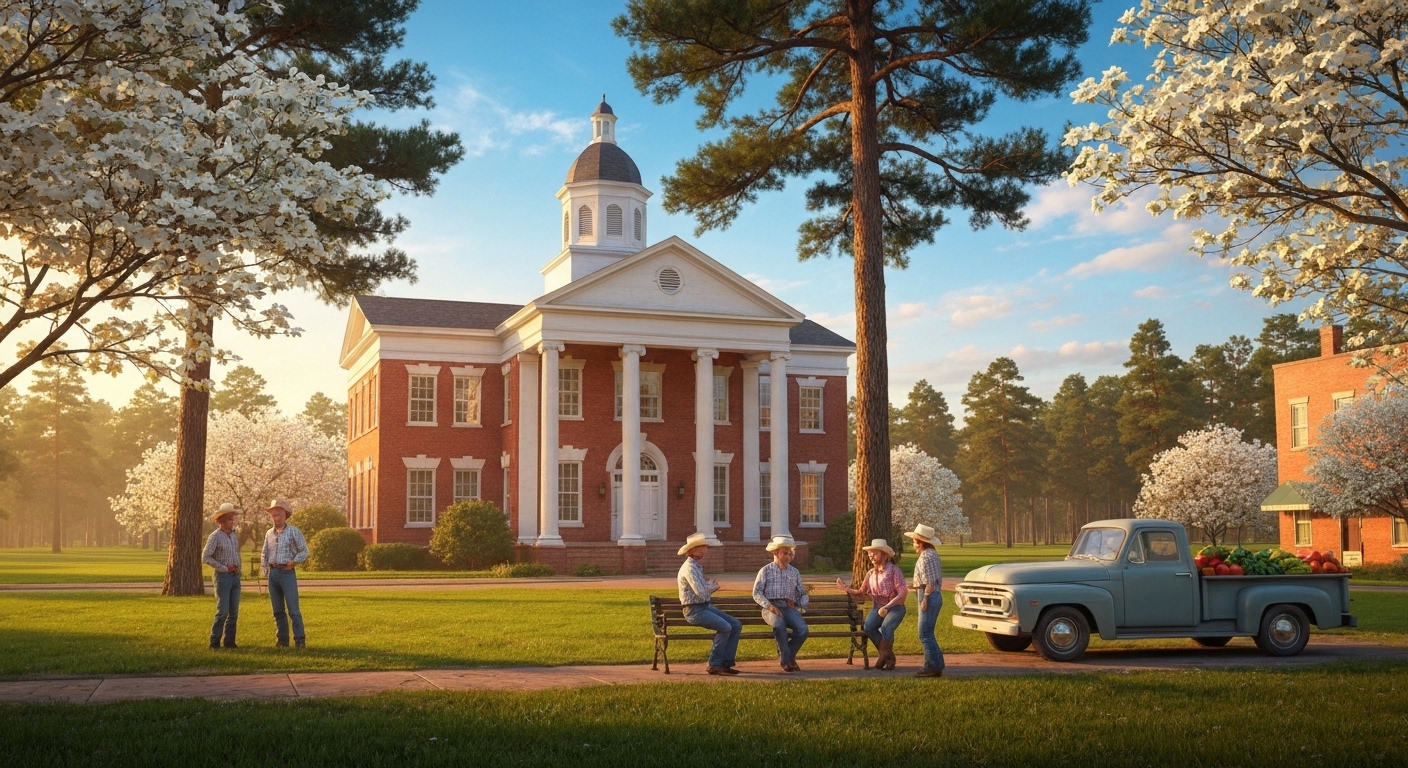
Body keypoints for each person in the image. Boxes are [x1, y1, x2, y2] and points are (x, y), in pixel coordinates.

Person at [836, 539, 908, 671]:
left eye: (874, 553)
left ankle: (883, 658)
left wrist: (887, 607)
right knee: (869, 627)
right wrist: (846, 588)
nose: (871, 557)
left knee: (887, 627)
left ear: (884, 554)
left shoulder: (894, 571)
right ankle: (888, 655)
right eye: (869, 554)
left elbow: (903, 593)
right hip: (878, 607)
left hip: (895, 608)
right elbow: (861, 593)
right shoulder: (870, 573)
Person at [676, 531, 741, 675]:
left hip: (704, 607)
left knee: (735, 625)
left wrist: (708, 583)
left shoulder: (696, 566)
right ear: (691, 550)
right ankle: (714, 664)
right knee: (725, 627)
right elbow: (701, 592)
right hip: (694, 610)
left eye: (704, 547)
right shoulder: (690, 568)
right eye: (700, 547)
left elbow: (701, 589)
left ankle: (725, 663)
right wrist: (714, 586)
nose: (704, 550)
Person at [752, 535, 809, 672]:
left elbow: (802, 593)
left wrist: (798, 604)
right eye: (785, 553)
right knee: (779, 625)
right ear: (775, 553)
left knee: (803, 630)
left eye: (790, 553)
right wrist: (770, 606)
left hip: (788, 607)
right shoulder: (765, 571)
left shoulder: (794, 572)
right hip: (770, 607)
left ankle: (786, 655)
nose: (789, 556)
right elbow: (757, 593)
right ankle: (787, 662)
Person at [261, 499, 308, 649]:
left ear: (285, 515)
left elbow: (304, 551)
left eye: (278, 514)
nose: (275, 517)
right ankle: (282, 641)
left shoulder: (294, 532)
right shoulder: (269, 533)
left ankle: (299, 641)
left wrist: (294, 561)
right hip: (273, 574)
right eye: (273, 515)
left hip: (287, 573)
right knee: (277, 610)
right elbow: (264, 553)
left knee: (293, 610)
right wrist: (265, 570)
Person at [904, 523, 945, 678]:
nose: (913, 544)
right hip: (928, 593)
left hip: (929, 595)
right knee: (926, 632)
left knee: (925, 633)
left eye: (914, 541)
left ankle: (935, 665)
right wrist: (915, 586)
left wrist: (925, 598)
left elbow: (931, 582)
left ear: (920, 542)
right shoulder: (930, 555)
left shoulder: (927, 557)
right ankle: (931, 665)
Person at [201, 503, 243, 649]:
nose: (233, 522)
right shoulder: (215, 537)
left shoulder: (233, 536)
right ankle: (214, 643)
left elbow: (236, 553)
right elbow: (206, 557)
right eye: (230, 519)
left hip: (235, 577)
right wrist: (224, 568)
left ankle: (230, 643)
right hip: (223, 577)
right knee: (223, 612)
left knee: (234, 613)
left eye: (233, 519)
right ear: (222, 521)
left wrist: (238, 568)